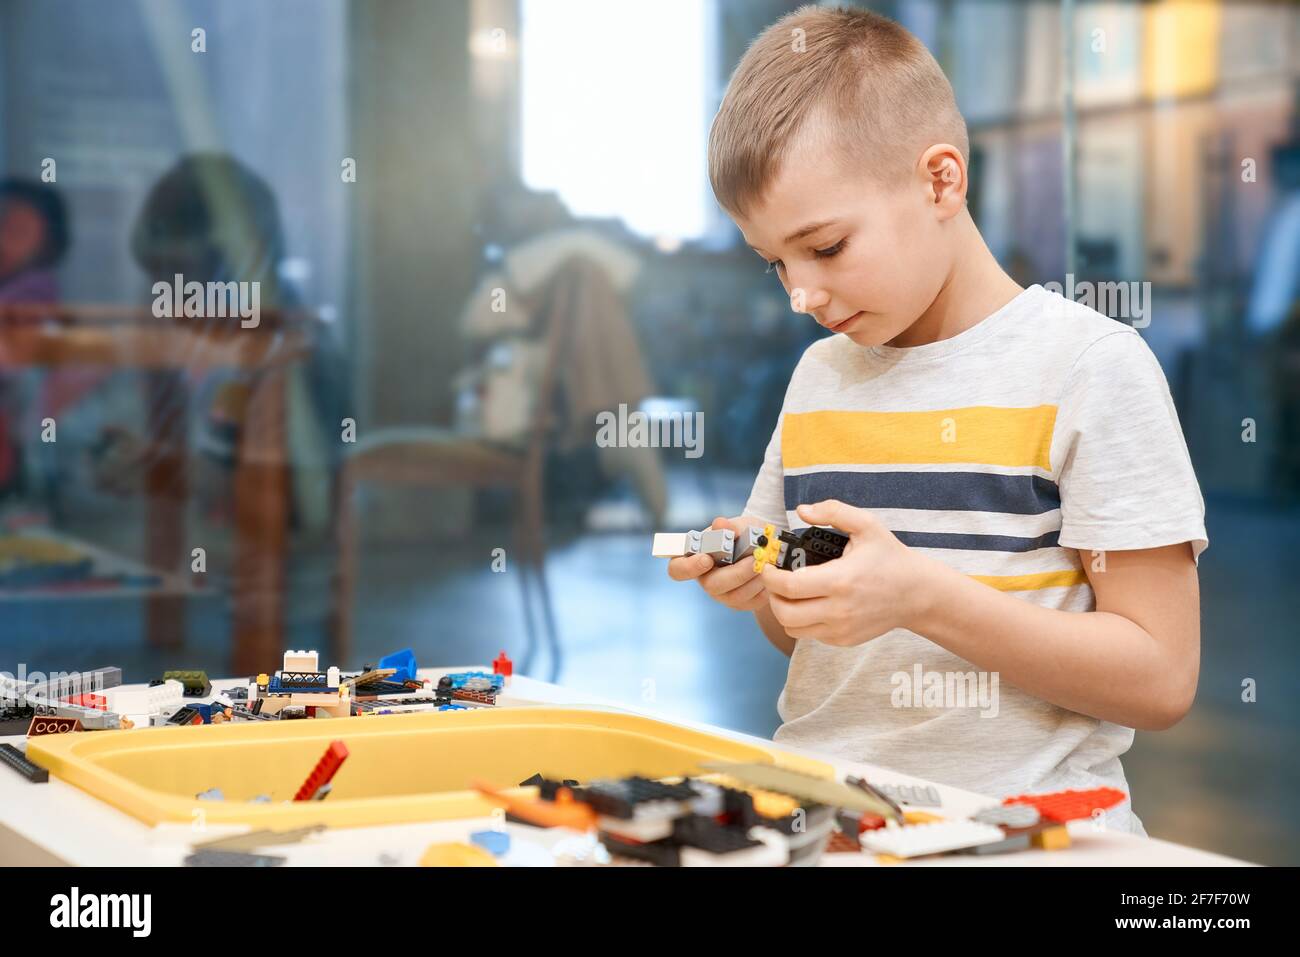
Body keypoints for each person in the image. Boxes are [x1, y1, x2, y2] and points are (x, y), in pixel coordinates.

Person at [668, 6, 1206, 835]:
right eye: (775, 261)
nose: (800, 295)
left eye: (828, 247)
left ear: (941, 180)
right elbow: (824, 648)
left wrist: (922, 597)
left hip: (1027, 839)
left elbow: (1162, 675)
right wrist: (766, 587)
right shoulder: (819, 376)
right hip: (829, 830)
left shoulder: (1088, 367)